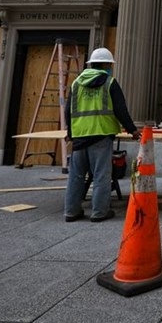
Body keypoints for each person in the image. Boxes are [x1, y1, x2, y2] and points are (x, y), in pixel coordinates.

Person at [63, 47, 140, 222]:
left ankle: (71, 212)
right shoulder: (109, 83)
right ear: (106, 64)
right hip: (101, 136)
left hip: (79, 137)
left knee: (76, 176)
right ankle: (99, 212)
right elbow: (121, 110)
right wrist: (132, 129)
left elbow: (68, 111)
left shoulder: (76, 83)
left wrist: (70, 132)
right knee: (101, 176)